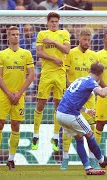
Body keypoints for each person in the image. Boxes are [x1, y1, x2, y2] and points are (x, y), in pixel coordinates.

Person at [56, 62, 107, 175]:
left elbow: (72, 99)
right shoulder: (90, 82)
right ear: (101, 74)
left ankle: (88, 168)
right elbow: (103, 93)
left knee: (79, 138)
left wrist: (87, 111)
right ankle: (102, 161)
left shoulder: (80, 79)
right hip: (70, 114)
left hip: (60, 114)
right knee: (89, 133)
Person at [0, 26, 35, 171]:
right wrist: (10, 93)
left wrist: (19, 92)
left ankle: (11, 159)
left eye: (17, 34)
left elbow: (31, 75)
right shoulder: (2, 54)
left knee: (16, 125)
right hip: (4, 96)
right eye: (13, 35)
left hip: (19, 96)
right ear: (8, 37)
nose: (16, 36)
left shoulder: (26, 54)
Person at [31, 12, 70, 152]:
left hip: (60, 73)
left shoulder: (64, 33)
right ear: (47, 22)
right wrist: (54, 59)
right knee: (41, 103)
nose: (54, 23)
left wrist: (53, 42)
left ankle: (55, 136)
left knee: (58, 106)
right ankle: (35, 134)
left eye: (56, 21)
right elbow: (39, 53)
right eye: (52, 21)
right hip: (47, 73)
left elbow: (67, 50)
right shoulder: (42, 34)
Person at [61, 29, 99, 170]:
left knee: (91, 128)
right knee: (69, 129)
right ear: (79, 38)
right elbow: (63, 72)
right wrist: (69, 85)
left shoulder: (94, 56)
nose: (87, 42)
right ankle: (65, 158)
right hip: (73, 96)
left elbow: (96, 77)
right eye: (85, 39)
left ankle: (92, 158)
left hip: (89, 97)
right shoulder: (70, 53)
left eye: (89, 39)